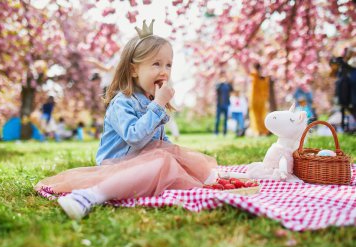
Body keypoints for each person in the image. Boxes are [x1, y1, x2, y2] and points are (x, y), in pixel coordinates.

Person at [35, 20, 218, 220]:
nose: (164, 71)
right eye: (156, 64)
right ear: (133, 70)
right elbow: (135, 138)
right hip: (116, 168)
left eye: (168, 65)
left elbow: (161, 144)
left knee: (173, 159)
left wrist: (183, 161)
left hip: (141, 164)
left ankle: (209, 176)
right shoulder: (122, 102)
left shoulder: (152, 101)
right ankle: (89, 196)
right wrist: (157, 105)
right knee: (163, 160)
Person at [248, 63, 269, 136]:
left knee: (257, 115)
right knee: (260, 115)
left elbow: (249, 73)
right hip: (260, 100)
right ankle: (262, 131)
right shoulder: (263, 78)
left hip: (256, 100)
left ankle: (260, 131)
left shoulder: (255, 76)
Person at [214, 70, 233, 136]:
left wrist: (230, 82)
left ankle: (224, 133)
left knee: (225, 120)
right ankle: (216, 133)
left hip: (226, 104)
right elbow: (216, 89)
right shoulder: (218, 83)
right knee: (217, 120)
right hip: (219, 104)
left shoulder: (227, 84)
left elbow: (232, 89)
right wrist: (221, 82)